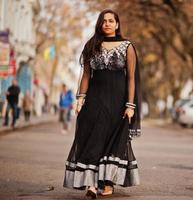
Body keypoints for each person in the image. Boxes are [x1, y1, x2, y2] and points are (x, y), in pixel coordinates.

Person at [63, 9, 141, 199]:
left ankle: (107, 182)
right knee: (92, 139)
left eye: (111, 21)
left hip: (118, 103)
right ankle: (90, 184)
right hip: (94, 102)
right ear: (99, 24)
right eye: (104, 21)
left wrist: (130, 106)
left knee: (113, 142)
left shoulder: (127, 46)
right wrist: (80, 99)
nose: (107, 23)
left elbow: (131, 78)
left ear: (117, 24)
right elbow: (87, 75)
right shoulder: (92, 45)